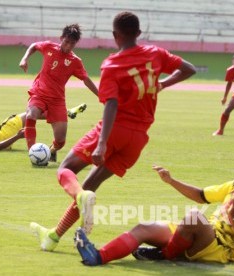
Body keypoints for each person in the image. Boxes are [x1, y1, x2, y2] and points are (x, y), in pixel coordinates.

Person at [30, 11, 196, 251]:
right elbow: (189, 68)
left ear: (115, 35)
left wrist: (102, 143)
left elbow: (111, 104)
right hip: (138, 139)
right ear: (139, 33)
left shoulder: (112, 64)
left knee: (66, 170)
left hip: (115, 129)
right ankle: (53, 236)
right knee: (89, 187)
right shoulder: (156, 54)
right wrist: (161, 84)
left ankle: (79, 196)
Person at [74, 142, 234, 265]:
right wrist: (171, 181)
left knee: (193, 217)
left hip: (221, 250)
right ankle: (98, 256)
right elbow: (201, 195)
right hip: (201, 233)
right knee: (144, 228)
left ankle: (165, 254)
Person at [19, 23, 98, 162]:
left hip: (57, 100)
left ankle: (52, 150)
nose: (68, 46)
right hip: (39, 92)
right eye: (66, 42)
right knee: (31, 115)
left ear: (75, 44)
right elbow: (33, 46)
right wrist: (24, 58)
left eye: (72, 44)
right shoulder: (49, 47)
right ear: (61, 38)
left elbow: (86, 79)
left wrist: (100, 95)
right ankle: (33, 152)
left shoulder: (75, 61)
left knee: (61, 141)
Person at [0, 101, 89, 151]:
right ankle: (65, 113)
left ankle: (65, 113)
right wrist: (17, 136)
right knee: (30, 113)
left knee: (30, 114)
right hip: (5, 133)